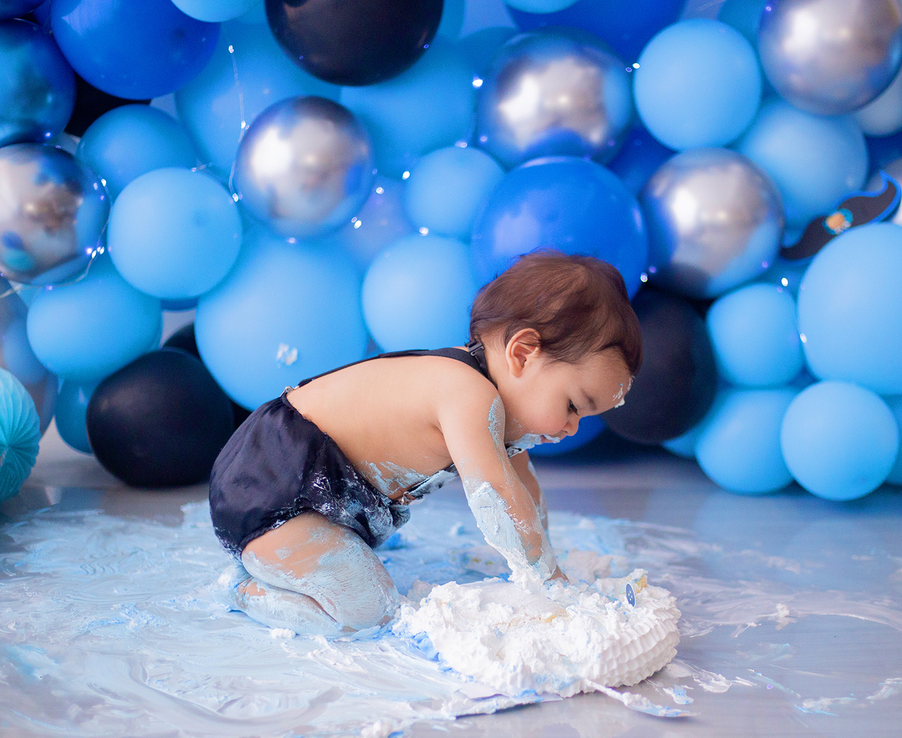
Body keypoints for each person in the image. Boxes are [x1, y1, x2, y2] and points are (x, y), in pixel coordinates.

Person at [208, 251, 642, 636]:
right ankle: (244, 588)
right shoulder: (465, 392)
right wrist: (547, 579)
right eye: (573, 405)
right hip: (272, 485)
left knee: (359, 586)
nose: (572, 428)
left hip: (320, 502)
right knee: (369, 613)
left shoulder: (492, 402)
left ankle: (299, 557)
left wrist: (544, 559)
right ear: (523, 353)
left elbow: (522, 487)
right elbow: (497, 496)